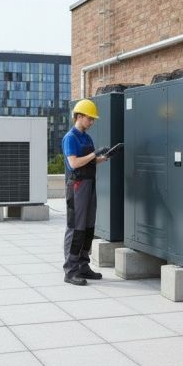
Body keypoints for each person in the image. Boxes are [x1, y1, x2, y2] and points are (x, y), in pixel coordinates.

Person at [61, 99, 113, 286]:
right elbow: (74, 163)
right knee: (76, 227)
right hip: (77, 186)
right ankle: (70, 270)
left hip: (89, 185)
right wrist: (93, 155)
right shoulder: (70, 138)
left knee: (89, 227)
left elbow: (89, 161)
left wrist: (103, 158)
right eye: (89, 118)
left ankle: (83, 265)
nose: (91, 122)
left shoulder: (87, 137)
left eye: (93, 119)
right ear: (79, 116)